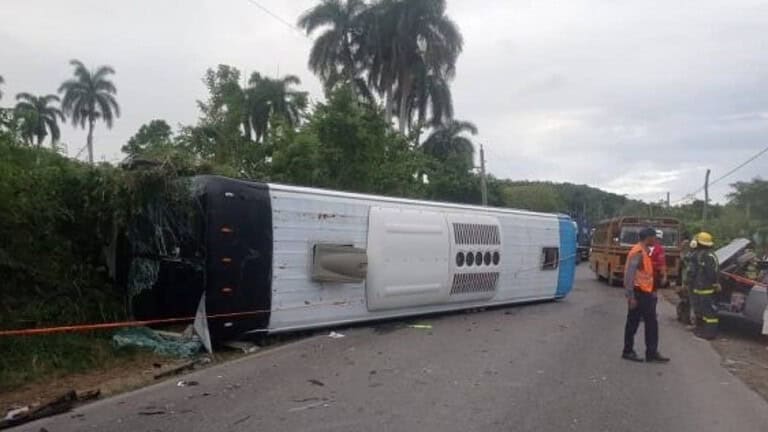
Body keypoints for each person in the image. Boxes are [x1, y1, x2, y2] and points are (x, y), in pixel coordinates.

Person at [622, 227, 670, 363]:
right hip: (638, 293)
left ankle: (650, 352)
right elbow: (629, 275)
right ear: (648, 237)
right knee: (635, 323)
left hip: (645, 292)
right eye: (654, 237)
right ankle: (631, 351)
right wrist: (630, 296)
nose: (655, 240)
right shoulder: (638, 252)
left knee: (648, 323)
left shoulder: (644, 251)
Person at [689, 232, 720, 340]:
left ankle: (710, 334)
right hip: (700, 288)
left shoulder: (709, 256)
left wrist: (715, 284)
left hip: (707, 289)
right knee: (702, 311)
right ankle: (702, 330)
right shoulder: (701, 254)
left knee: (709, 312)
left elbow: (712, 273)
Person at [676, 233, 694, 325]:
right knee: (686, 299)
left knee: (685, 299)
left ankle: (683, 316)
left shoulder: (686, 256)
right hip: (685, 279)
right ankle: (684, 317)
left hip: (685, 278)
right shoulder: (689, 254)